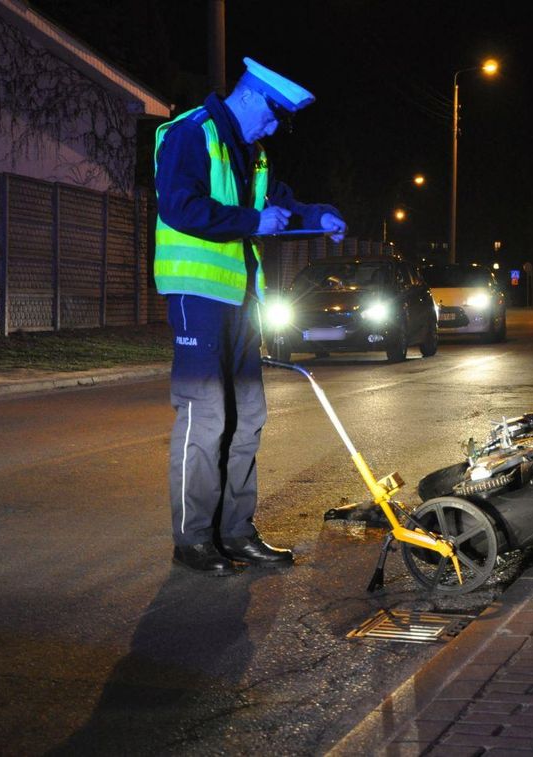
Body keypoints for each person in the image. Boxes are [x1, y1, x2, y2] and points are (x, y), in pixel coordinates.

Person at [154, 58, 347, 575]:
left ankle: (236, 533)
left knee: (247, 416)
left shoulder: (252, 154)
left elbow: (277, 201)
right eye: (275, 117)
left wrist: (317, 215)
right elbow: (178, 206)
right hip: (197, 298)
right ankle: (193, 539)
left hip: (241, 302)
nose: (275, 129)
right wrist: (252, 220)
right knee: (206, 415)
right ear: (251, 98)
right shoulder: (190, 134)